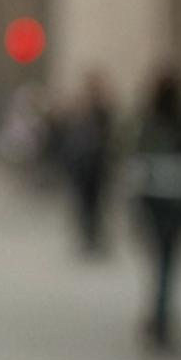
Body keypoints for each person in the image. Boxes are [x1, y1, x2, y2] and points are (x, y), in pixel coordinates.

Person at [130, 65, 181, 352]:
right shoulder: (174, 122)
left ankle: (159, 318)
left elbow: (138, 165)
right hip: (174, 204)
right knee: (166, 263)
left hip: (156, 203)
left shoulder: (150, 124)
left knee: (160, 264)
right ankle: (160, 317)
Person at [60, 70, 117, 255]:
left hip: (98, 166)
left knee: (97, 204)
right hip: (82, 166)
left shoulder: (103, 110)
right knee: (83, 204)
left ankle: (95, 237)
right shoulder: (80, 111)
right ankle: (86, 237)